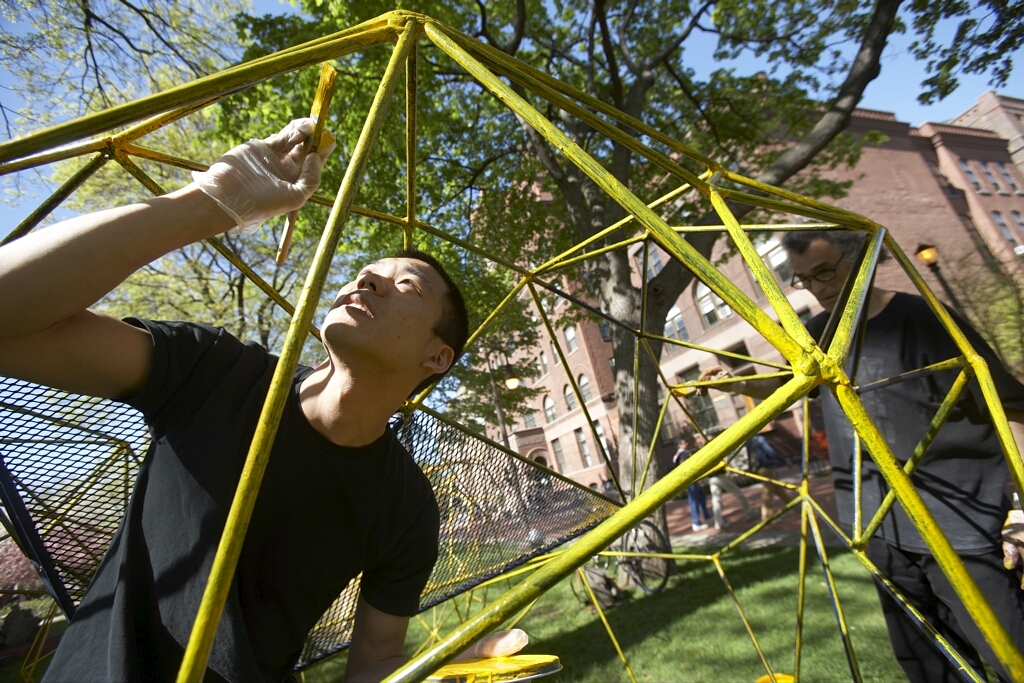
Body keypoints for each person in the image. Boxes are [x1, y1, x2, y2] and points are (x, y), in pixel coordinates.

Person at [0, 119, 523, 682]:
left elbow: (375, 661)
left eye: (407, 286)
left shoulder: (406, 507)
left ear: (437, 358)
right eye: (367, 273)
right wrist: (207, 202)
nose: (367, 281)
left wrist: (437, 669)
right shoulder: (214, 372)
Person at [701, 230, 1024, 683]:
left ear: (863, 260)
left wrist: (1020, 508)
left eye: (825, 272)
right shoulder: (817, 334)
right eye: (804, 279)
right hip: (876, 526)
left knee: (1010, 651)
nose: (817, 288)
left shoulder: (923, 318)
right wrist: (732, 382)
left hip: (957, 520)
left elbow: (1008, 406)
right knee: (929, 663)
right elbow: (781, 384)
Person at [746, 433, 797, 521]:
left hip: (759, 469)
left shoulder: (749, 442)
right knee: (768, 492)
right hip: (767, 468)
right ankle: (767, 517)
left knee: (779, 490)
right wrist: (784, 461)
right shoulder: (760, 439)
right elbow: (770, 452)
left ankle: (798, 508)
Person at [673, 444, 710, 532]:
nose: (687, 444)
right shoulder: (683, 454)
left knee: (701, 497)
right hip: (691, 480)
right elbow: (685, 466)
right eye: (684, 442)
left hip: (691, 480)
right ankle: (696, 522)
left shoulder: (678, 455)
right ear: (681, 444)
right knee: (694, 501)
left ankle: (706, 516)